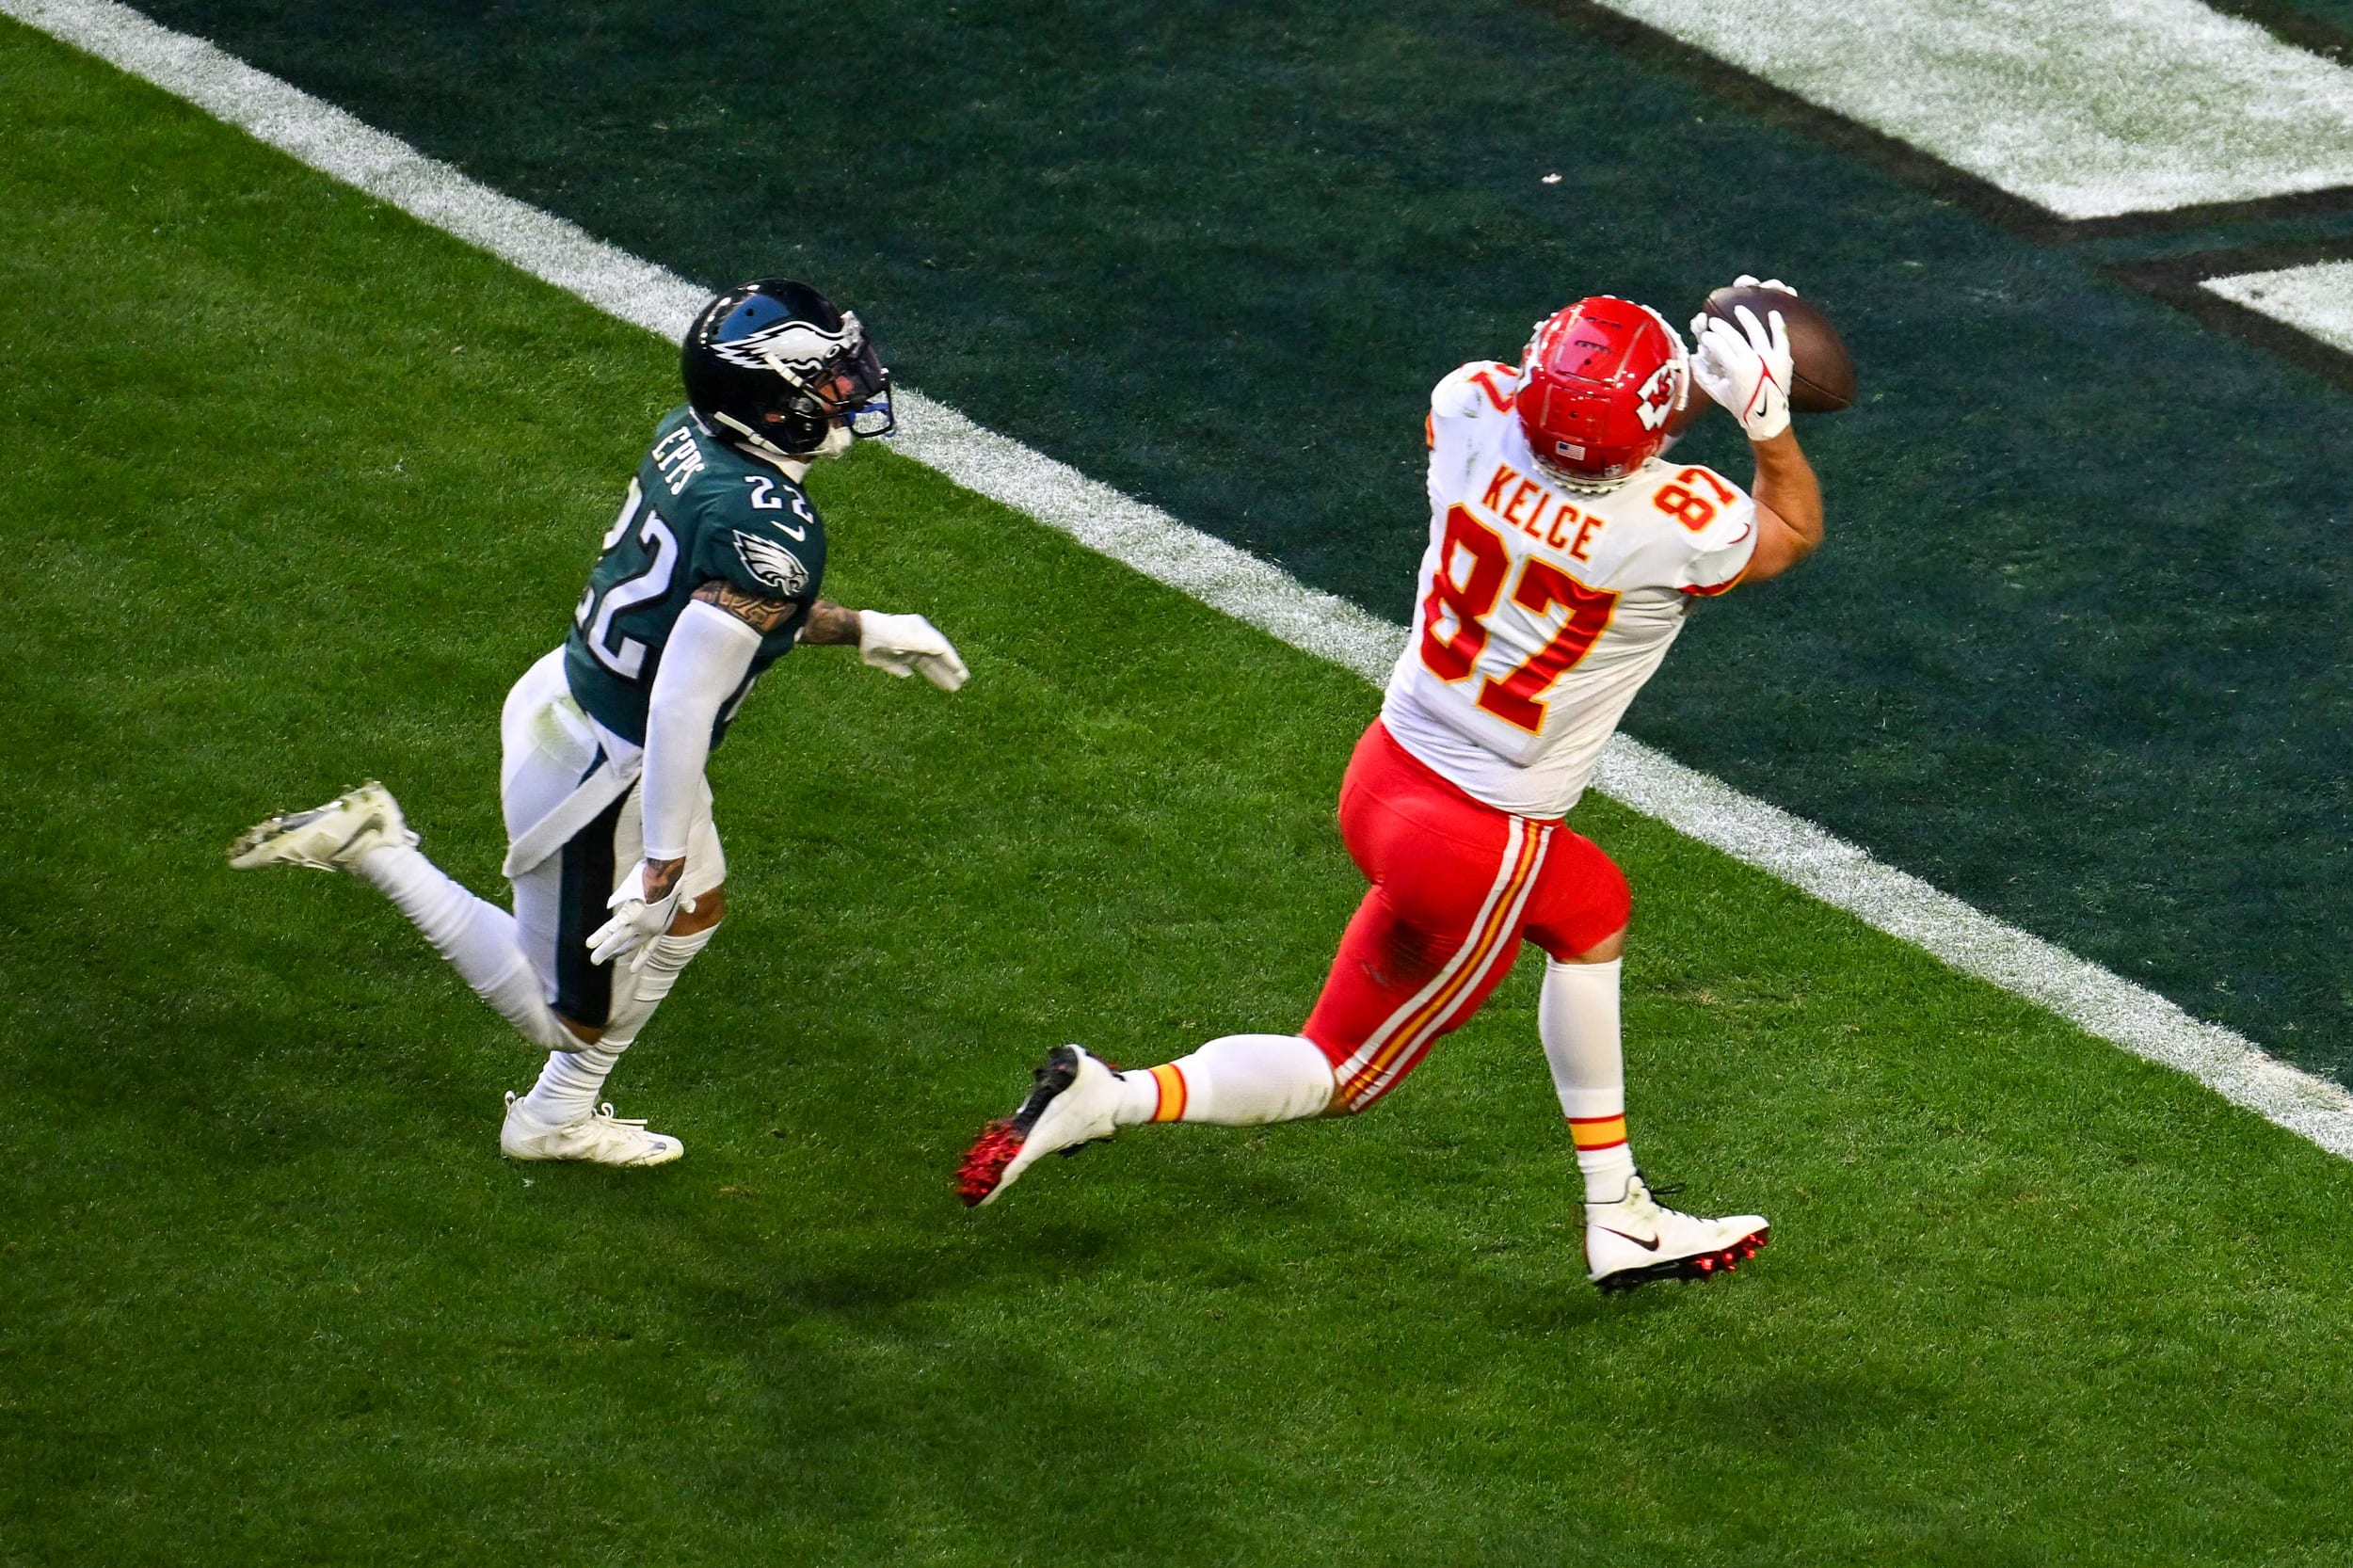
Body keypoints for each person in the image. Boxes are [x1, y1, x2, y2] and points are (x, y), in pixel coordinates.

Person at [958, 280, 1823, 1292]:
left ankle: (1111, 1096)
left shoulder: (1469, 405)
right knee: (1380, 1051)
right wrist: (1765, 423)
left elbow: (1557, 427)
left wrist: (1638, 404)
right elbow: (1790, 530)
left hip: (1385, 775)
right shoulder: (1682, 522)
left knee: (1540, 936)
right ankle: (1615, 1215)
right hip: (1478, 826)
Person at [231, 280, 968, 1166]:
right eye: (832, 378)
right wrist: (656, 860)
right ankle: (376, 847)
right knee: (569, 1013)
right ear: (774, 402)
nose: (853, 388)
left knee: (697, 913)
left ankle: (552, 1119)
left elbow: (711, 604)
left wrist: (861, 628)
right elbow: (684, 698)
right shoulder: (770, 524)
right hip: (608, 766)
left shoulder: (693, 438)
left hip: (571, 698)